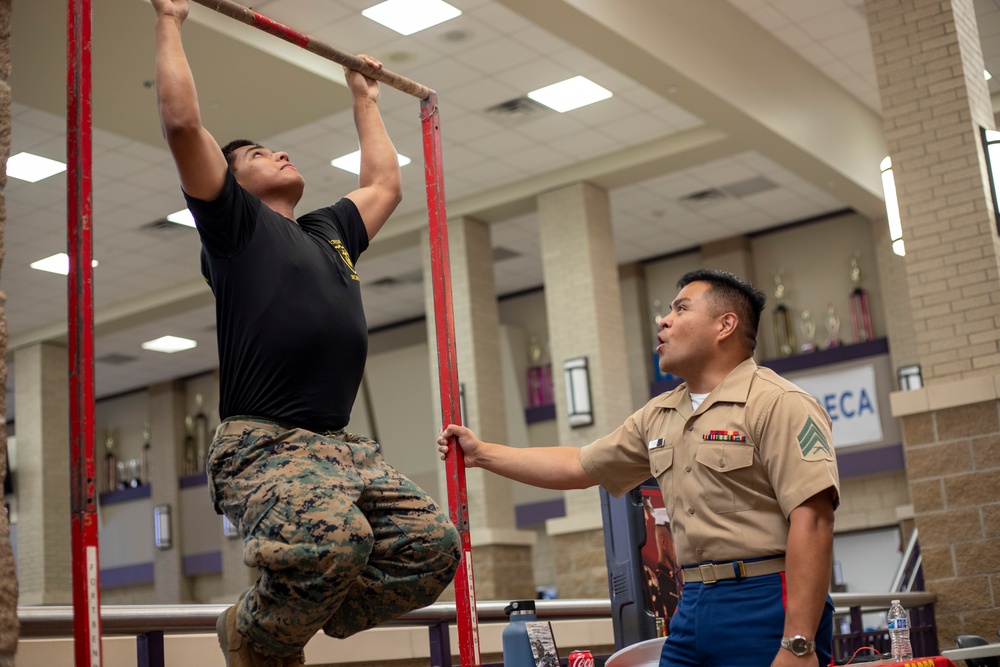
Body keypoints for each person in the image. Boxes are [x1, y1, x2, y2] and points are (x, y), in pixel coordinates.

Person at [151, 1, 461, 665]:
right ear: (231, 180)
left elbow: (384, 182)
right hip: (262, 443)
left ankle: (278, 620)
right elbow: (182, 124)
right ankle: (261, 633)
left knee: (433, 546)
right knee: (338, 538)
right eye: (259, 153)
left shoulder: (325, 231)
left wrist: (363, 96)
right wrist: (171, 20)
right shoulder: (232, 227)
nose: (280, 152)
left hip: (338, 446)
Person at [438, 269, 840, 667]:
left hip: (765, 596)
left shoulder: (778, 403)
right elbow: (578, 466)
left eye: (681, 309)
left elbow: (814, 519)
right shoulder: (660, 414)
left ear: (725, 325)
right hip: (695, 601)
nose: (663, 320)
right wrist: (483, 453)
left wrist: (798, 643)